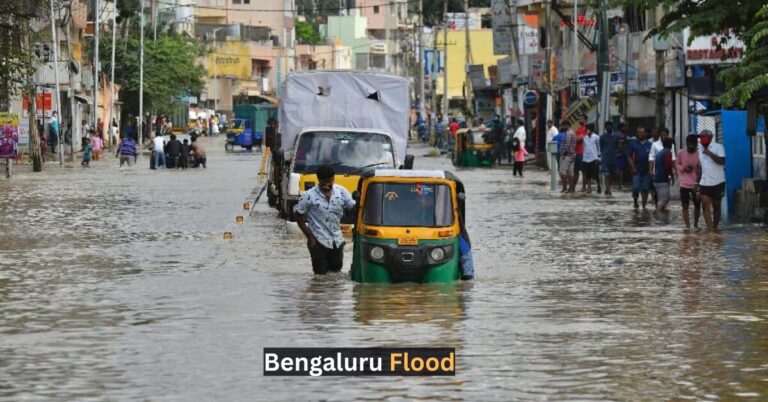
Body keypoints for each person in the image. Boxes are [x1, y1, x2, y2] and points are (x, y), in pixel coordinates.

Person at [294, 164, 356, 275]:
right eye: (325, 182)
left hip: (336, 240)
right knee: (320, 276)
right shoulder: (308, 195)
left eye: (331, 181)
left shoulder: (341, 192)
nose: (328, 184)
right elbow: (298, 215)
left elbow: (353, 208)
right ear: (319, 180)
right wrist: (310, 237)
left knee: (336, 274)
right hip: (318, 241)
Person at [697, 130, 726, 230]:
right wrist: (697, 183)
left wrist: (709, 153)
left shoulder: (718, 147)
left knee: (716, 206)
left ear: (710, 138)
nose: (701, 139)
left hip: (718, 182)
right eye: (700, 137)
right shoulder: (700, 150)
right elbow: (700, 167)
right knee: (705, 205)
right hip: (705, 183)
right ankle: (710, 230)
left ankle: (715, 226)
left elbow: (722, 161)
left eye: (703, 137)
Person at [677, 134, 702, 228]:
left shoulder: (700, 155)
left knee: (697, 205)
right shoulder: (681, 153)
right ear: (686, 143)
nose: (691, 146)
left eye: (693, 144)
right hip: (684, 184)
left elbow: (701, 171)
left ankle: (695, 225)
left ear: (696, 144)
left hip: (696, 184)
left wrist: (698, 184)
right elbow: (678, 165)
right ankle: (687, 227)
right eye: (689, 144)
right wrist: (684, 168)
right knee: (684, 205)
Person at [628, 126, 652, 209]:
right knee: (635, 187)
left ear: (645, 133)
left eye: (641, 132)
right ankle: (635, 202)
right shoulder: (633, 144)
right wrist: (633, 167)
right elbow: (629, 156)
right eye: (638, 132)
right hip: (636, 170)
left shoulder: (650, 145)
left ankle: (644, 206)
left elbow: (651, 158)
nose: (639, 134)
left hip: (646, 171)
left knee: (645, 189)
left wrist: (650, 169)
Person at [653, 137, 675, 213]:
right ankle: (658, 214)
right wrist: (672, 176)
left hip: (656, 179)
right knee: (664, 199)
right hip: (663, 179)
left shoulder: (659, 153)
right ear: (671, 145)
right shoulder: (668, 153)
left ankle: (660, 219)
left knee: (660, 199)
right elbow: (668, 166)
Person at [600, 121, 620, 195]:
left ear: (612, 127)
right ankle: (609, 190)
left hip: (613, 158)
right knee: (607, 174)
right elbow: (601, 148)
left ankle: (607, 187)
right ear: (605, 127)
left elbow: (618, 146)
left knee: (611, 175)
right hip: (605, 158)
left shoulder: (616, 137)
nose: (608, 127)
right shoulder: (602, 137)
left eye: (610, 126)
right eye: (607, 126)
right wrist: (602, 156)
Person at [559, 121, 578, 194]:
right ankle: (571, 189)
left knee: (562, 172)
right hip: (572, 155)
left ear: (566, 125)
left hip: (567, 156)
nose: (562, 127)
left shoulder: (568, 133)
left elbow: (567, 144)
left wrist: (564, 154)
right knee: (570, 173)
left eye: (563, 126)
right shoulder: (572, 132)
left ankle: (565, 188)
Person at [582, 123, 601, 194]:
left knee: (596, 174)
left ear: (591, 129)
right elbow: (584, 147)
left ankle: (599, 185)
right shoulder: (585, 137)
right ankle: (589, 188)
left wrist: (599, 157)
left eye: (587, 129)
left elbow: (599, 147)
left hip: (594, 158)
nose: (586, 130)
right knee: (588, 174)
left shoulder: (596, 137)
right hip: (586, 159)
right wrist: (583, 157)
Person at [553, 122, 568, 192]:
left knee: (560, 169)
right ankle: (568, 185)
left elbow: (552, 145)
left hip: (558, 154)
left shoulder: (556, 136)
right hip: (567, 154)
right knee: (568, 169)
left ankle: (563, 184)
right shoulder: (568, 136)